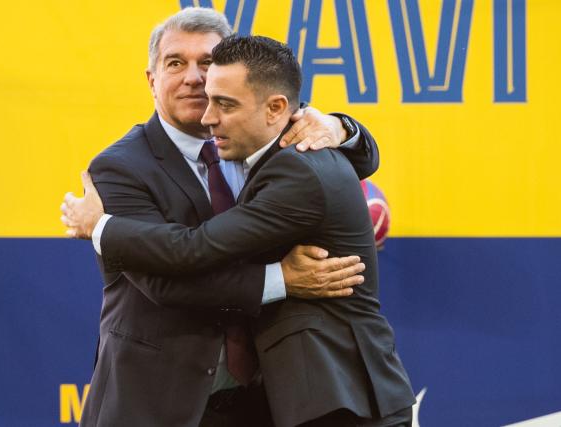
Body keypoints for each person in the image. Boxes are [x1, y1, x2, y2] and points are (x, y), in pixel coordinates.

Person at [60, 8, 385, 427]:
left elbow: (359, 157)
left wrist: (340, 127)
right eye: (175, 63)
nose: (194, 77)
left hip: (267, 400)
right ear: (151, 79)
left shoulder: (269, 136)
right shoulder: (117, 168)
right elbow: (164, 281)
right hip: (158, 403)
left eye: (208, 62)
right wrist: (281, 280)